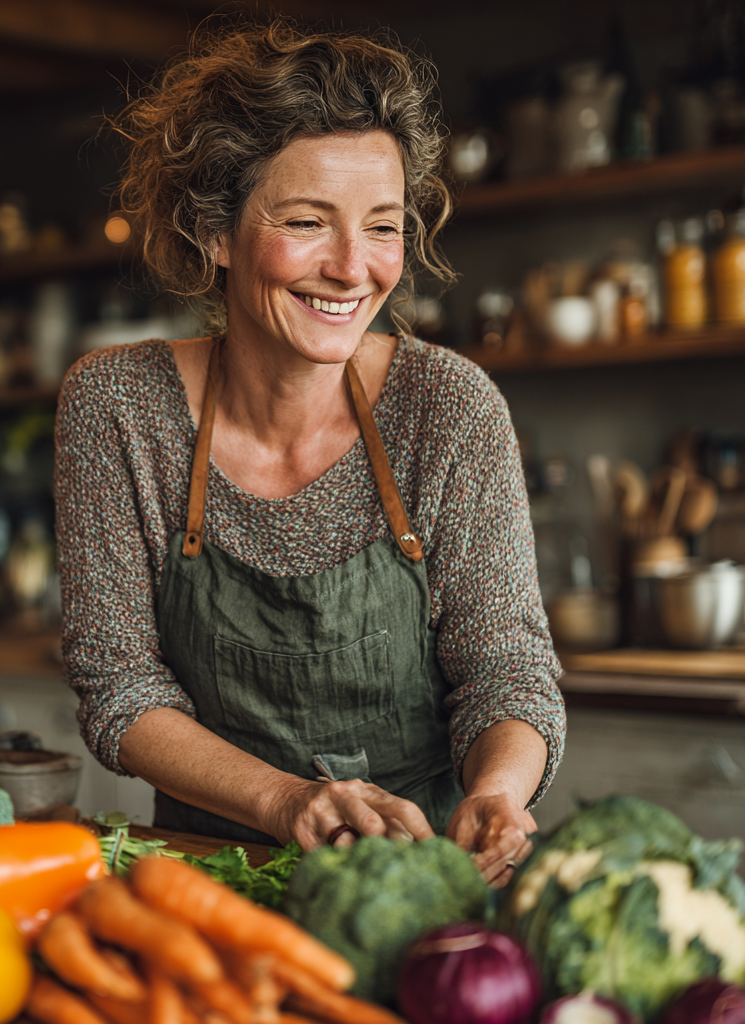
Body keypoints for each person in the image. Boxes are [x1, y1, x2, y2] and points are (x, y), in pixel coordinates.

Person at [55, 20, 565, 887]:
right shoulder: (117, 409)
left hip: (424, 889)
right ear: (216, 231)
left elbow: (507, 672)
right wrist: (288, 802)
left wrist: (500, 788)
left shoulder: (449, 408)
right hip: (213, 880)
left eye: (381, 226)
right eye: (304, 221)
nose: (351, 267)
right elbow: (119, 688)